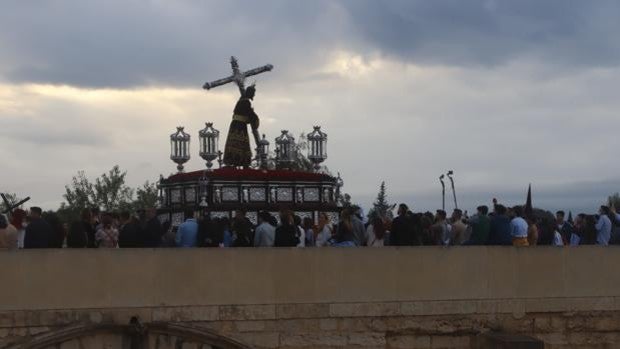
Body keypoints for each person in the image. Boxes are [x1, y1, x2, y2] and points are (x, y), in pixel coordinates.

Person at [223, 85, 261, 167]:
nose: (254, 95)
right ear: (250, 93)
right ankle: (243, 163)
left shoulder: (241, 101)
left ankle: (232, 162)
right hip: (240, 126)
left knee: (234, 143)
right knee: (242, 144)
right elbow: (250, 114)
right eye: (253, 93)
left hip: (235, 125)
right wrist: (255, 119)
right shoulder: (246, 102)